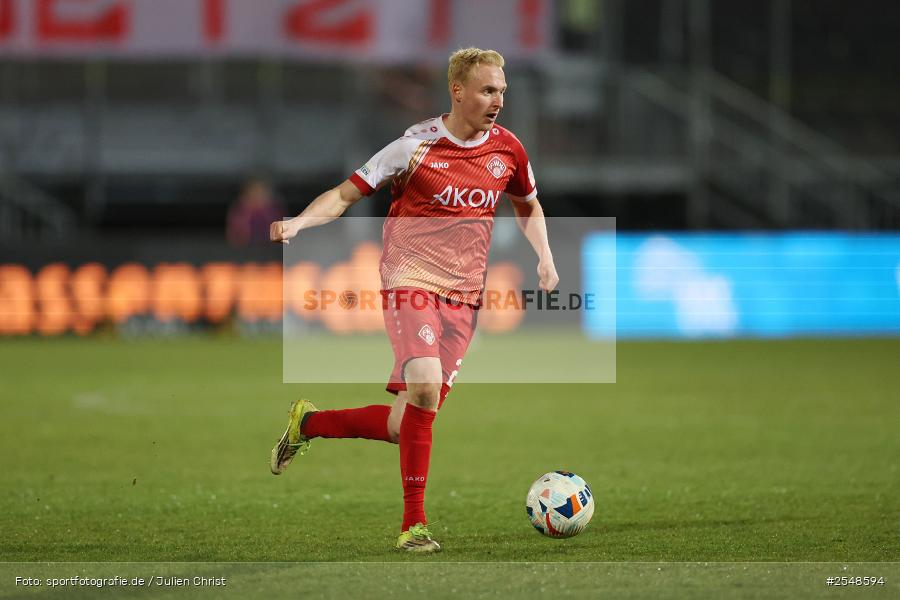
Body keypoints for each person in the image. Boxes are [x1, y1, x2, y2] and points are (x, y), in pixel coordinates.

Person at [268, 48, 558, 553]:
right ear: (458, 91)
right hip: (410, 279)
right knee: (424, 383)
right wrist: (299, 223)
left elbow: (527, 204)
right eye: (488, 91)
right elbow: (344, 194)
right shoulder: (413, 148)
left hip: (465, 297)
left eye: (502, 91)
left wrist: (545, 256)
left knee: (404, 425)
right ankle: (414, 526)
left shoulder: (509, 149)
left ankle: (307, 423)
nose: (498, 101)